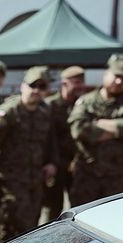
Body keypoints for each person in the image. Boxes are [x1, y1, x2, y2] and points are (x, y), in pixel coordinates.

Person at [0, 66, 57, 240]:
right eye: (32, 85)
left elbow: (50, 143)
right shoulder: (8, 112)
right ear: (22, 86)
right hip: (9, 184)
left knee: (29, 231)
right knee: (6, 233)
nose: (36, 91)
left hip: (34, 183)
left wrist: (51, 163)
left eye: (42, 87)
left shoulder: (44, 112)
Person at [68, 56, 123, 206]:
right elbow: (78, 129)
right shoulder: (87, 101)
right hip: (87, 175)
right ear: (106, 73)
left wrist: (97, 125)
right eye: (116, 76)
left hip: (118, 176)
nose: (119, 82)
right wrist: (117, 130)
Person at [42, 65, 84, 220]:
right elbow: (47, 138)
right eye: (76, 82)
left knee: (79, 208)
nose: (80, 86)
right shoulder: (50, 105)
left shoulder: (82, 104)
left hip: (77, 165)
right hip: (57, 163)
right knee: (53, 208)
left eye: (81, 82)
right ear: (64, 83)